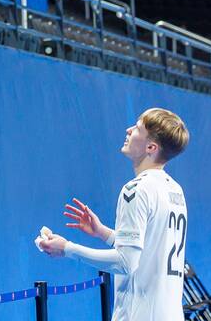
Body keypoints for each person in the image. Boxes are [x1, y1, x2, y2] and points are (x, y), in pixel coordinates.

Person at [35, 108, 190, 321]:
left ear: (151, 147)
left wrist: (67, 248)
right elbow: (149, 249)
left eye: (137, 128)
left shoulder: (136, 190)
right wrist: (103, 233)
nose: (128, 130)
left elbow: (126, 262)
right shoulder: (175, 190)